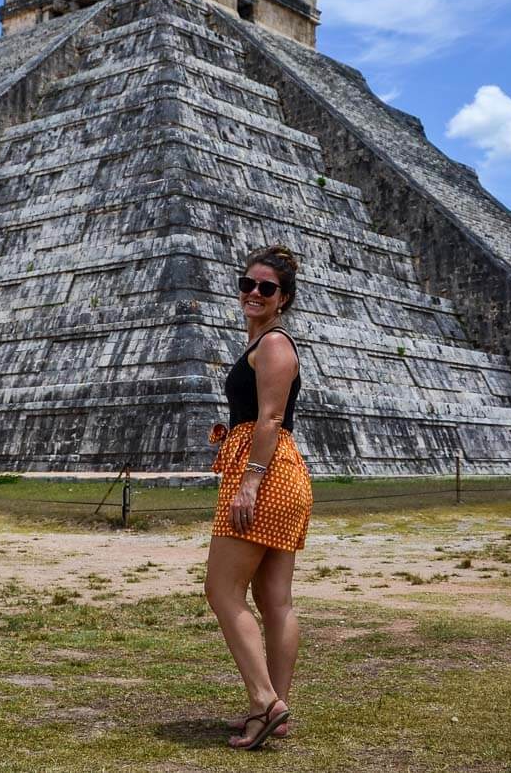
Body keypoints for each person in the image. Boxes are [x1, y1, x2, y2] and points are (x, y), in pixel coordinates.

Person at [204, 245, 313, 750]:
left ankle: (265, 701)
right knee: (274, 600)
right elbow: (261, 416)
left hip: (265, 476)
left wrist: (248, 479)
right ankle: (270, 714)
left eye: (265, 288)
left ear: (282, 298)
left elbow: (271, 419)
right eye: (247, 283)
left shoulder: (274, 344)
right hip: (279, 472)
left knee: (222, 591)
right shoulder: (263, 344)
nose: (253, 292)